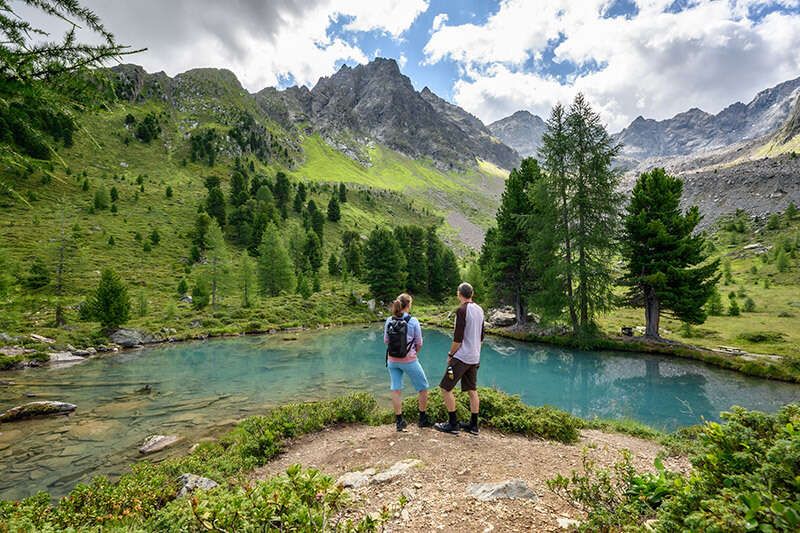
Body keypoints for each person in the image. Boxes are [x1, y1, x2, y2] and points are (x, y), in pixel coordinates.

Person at [434, 282, 485, 435]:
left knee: (445, 388)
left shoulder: (461, 310)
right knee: (472, 390)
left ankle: (453, 424)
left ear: (459, 294)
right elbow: (482, 336)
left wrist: (451, 354)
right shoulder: (479, 309)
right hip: (475, 357)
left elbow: (458, 337)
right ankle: (474, 426)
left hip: (461, 357)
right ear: (472, 294)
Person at [383, 293, 431, 431]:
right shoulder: (413, 321)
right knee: (423, 387)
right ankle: (422, 419)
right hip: (409, 359)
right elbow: (419, 342)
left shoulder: (389, 320)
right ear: (408, 305)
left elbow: (386, 341)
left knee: (396, 388)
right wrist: (413, 353)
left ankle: (399, 422)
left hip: (392, 360)